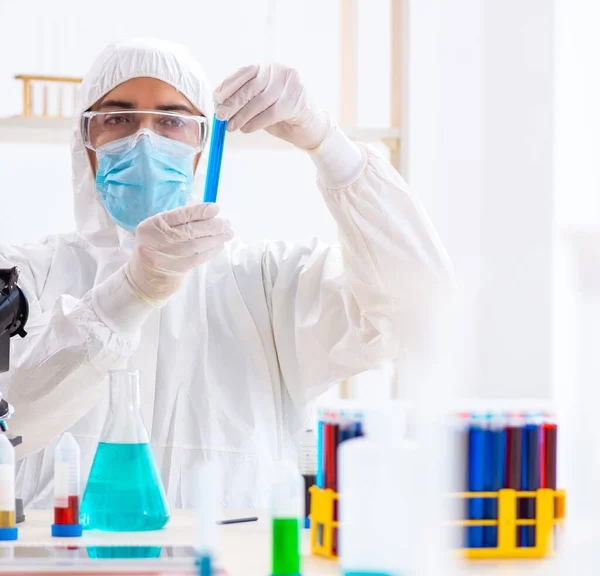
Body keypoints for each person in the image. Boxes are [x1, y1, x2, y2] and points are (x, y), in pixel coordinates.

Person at [0, 38, 452, 509]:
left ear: (202, 146)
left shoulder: (267, 285)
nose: (145, 140)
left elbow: (420, 309)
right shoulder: (29, 276)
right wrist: (131, 291)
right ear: (84, 140)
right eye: (118, 118)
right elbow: (12, 421)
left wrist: (330, 146)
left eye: (172, 120)